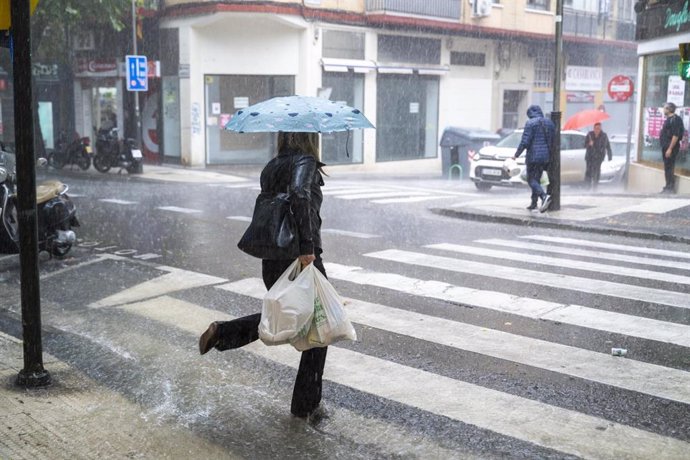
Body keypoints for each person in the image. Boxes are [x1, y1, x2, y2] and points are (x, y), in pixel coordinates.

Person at [198, 131, 327, 419]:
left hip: (274, 256)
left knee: (292, 316)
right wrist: (307, 248)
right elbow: (299, 195)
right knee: (319, 323)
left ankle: (223, 333)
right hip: (299, 255)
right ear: (310, 137)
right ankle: (305, 405)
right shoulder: (304, 160)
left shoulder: (273, 165)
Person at [513, 105, 555, 212]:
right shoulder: (549, 123)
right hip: (545, 157)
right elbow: (552, 141)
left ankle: (544, 196)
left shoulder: (530, 123)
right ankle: (534, 203)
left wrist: (516, 155)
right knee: (536, 180)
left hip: (533, 157)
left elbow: (525, 142)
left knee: (531, 179)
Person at [659, 102, 685, 194]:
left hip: (671, 147)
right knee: (667, 167)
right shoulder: (669, 119)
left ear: (669, 109)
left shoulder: (675, 120)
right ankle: (667, 186)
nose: (663, 110)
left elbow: (676, 135)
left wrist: (670, 148)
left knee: (669, 167)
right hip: (665, 146)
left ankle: (670, 187)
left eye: (665, 108)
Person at [584, 122, 612, 191]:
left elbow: (607, 146)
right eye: (596, 128)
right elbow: (584, 145)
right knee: (588, 172)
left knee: (596, 172)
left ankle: (595, 188)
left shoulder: (604, 136)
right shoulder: (590, 134)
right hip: (590, 157)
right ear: (593, 128)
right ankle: (587, 187)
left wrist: (609, 156)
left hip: (598, 157)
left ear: (600, 128)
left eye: (598, 128)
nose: (597, 130)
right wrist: (589, 144)